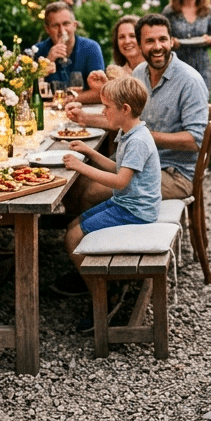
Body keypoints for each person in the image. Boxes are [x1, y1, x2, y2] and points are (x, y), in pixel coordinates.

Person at [53, 14, 208, 297]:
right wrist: (84, 119)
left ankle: (105, 272)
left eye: (163, 39)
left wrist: (146, 137)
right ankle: (89, 261)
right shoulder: (138, 76)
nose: (157, 46)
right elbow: (123, 118)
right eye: (150, 41)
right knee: (76, 190)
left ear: (172, 40)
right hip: (142, 164)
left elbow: (194, 141)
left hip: (174, 173)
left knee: (87, 192)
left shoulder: (189, 81)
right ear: (140, 44)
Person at [60, 76, 160, 315]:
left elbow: (120, 181)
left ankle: (103, 300)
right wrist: (87, 151)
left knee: (72, 238)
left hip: (136, 210)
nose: (103, 112)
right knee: (73, 224)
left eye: (107, 107)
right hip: (126, 202)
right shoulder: (128, 132)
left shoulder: (138, 141)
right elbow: (117, 168)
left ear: (125, 109)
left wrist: (79, 166)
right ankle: (100, 283)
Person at [32, 1, 106, 104]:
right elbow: (26, 92)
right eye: (55, 25)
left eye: (66, 24)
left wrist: (70, 99)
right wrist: (47, 63)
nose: (62, 30)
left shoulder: (91, 48)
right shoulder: (37, 51)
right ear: (47, 29)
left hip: (84, 112)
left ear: (74, 25)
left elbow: (101, 93)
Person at [163, 0, 211, 93]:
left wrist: (210, 39)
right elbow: (162, 37)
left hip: (202, 65)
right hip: (177, 65)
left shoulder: (208, 10)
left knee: (203, 101)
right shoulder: (170, 11)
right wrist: (172, 42)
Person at [87, 14, 144, 92]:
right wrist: (104, 87)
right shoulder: (114, 73)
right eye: (121, 37)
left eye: (132, 36)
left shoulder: (155, 69)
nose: (127, 41)